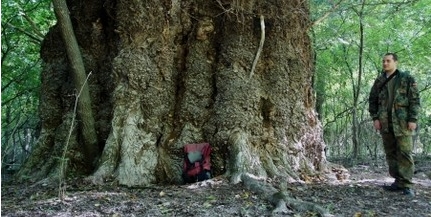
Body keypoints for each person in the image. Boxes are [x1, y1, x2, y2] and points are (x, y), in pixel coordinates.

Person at [368, 53, 420, 196]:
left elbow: (415, 100)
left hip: (402, 122)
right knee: (391, 153)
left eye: (388, 61)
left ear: (395, 62)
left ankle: (407, 184)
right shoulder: (379, 81)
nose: (385, 63)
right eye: (383, 61)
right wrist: (375, 118)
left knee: (405, 153)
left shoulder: (407, 79)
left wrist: (413, 119)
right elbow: (372, 100)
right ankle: (397, 181)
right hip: (385, 123)